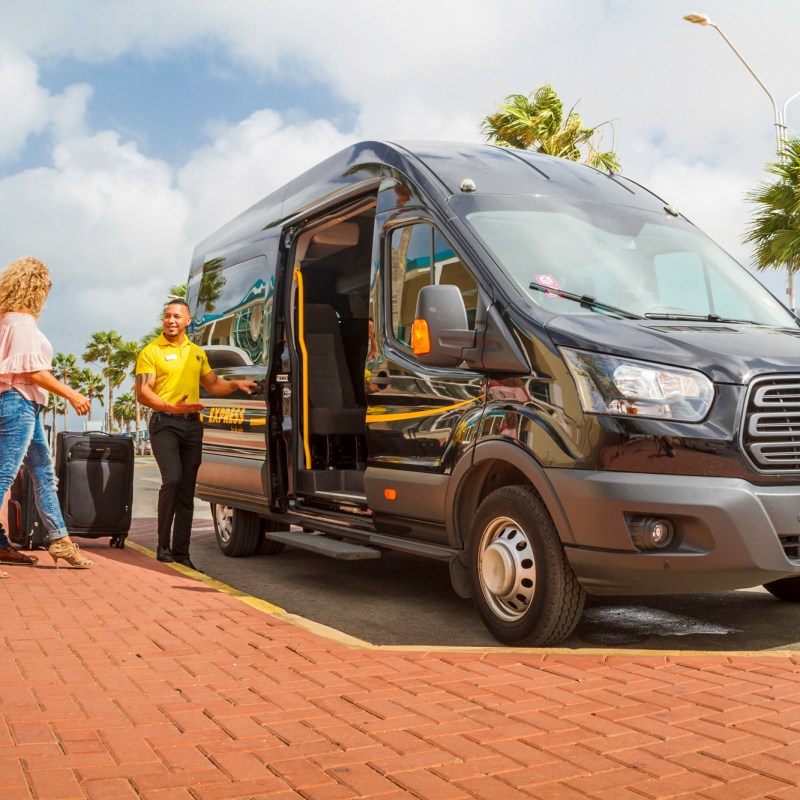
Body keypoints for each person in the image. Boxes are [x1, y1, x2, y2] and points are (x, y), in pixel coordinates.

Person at [135, 299, 257, 571]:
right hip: (164, 424)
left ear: (188, 321)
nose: (171, 320)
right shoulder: (151, 351)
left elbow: (213, 384)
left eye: (177, 316)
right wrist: (169, 406)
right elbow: (143, 392)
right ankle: (163, 547)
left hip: (192, 426)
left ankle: (182, 553)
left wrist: (235, 384)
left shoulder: (196, 353)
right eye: (167, 316)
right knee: (173, 479)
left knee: (187, 489)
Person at [0, 256, 93, 573]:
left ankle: (60, 540)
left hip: (21, 402)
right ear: (34, 286)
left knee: (43, 474)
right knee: (4, 475)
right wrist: (72, 394)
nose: (48, 291)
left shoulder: (6, 320)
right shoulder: (22, 322)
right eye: (46, 285)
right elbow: (33, 371)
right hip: (19, 402)